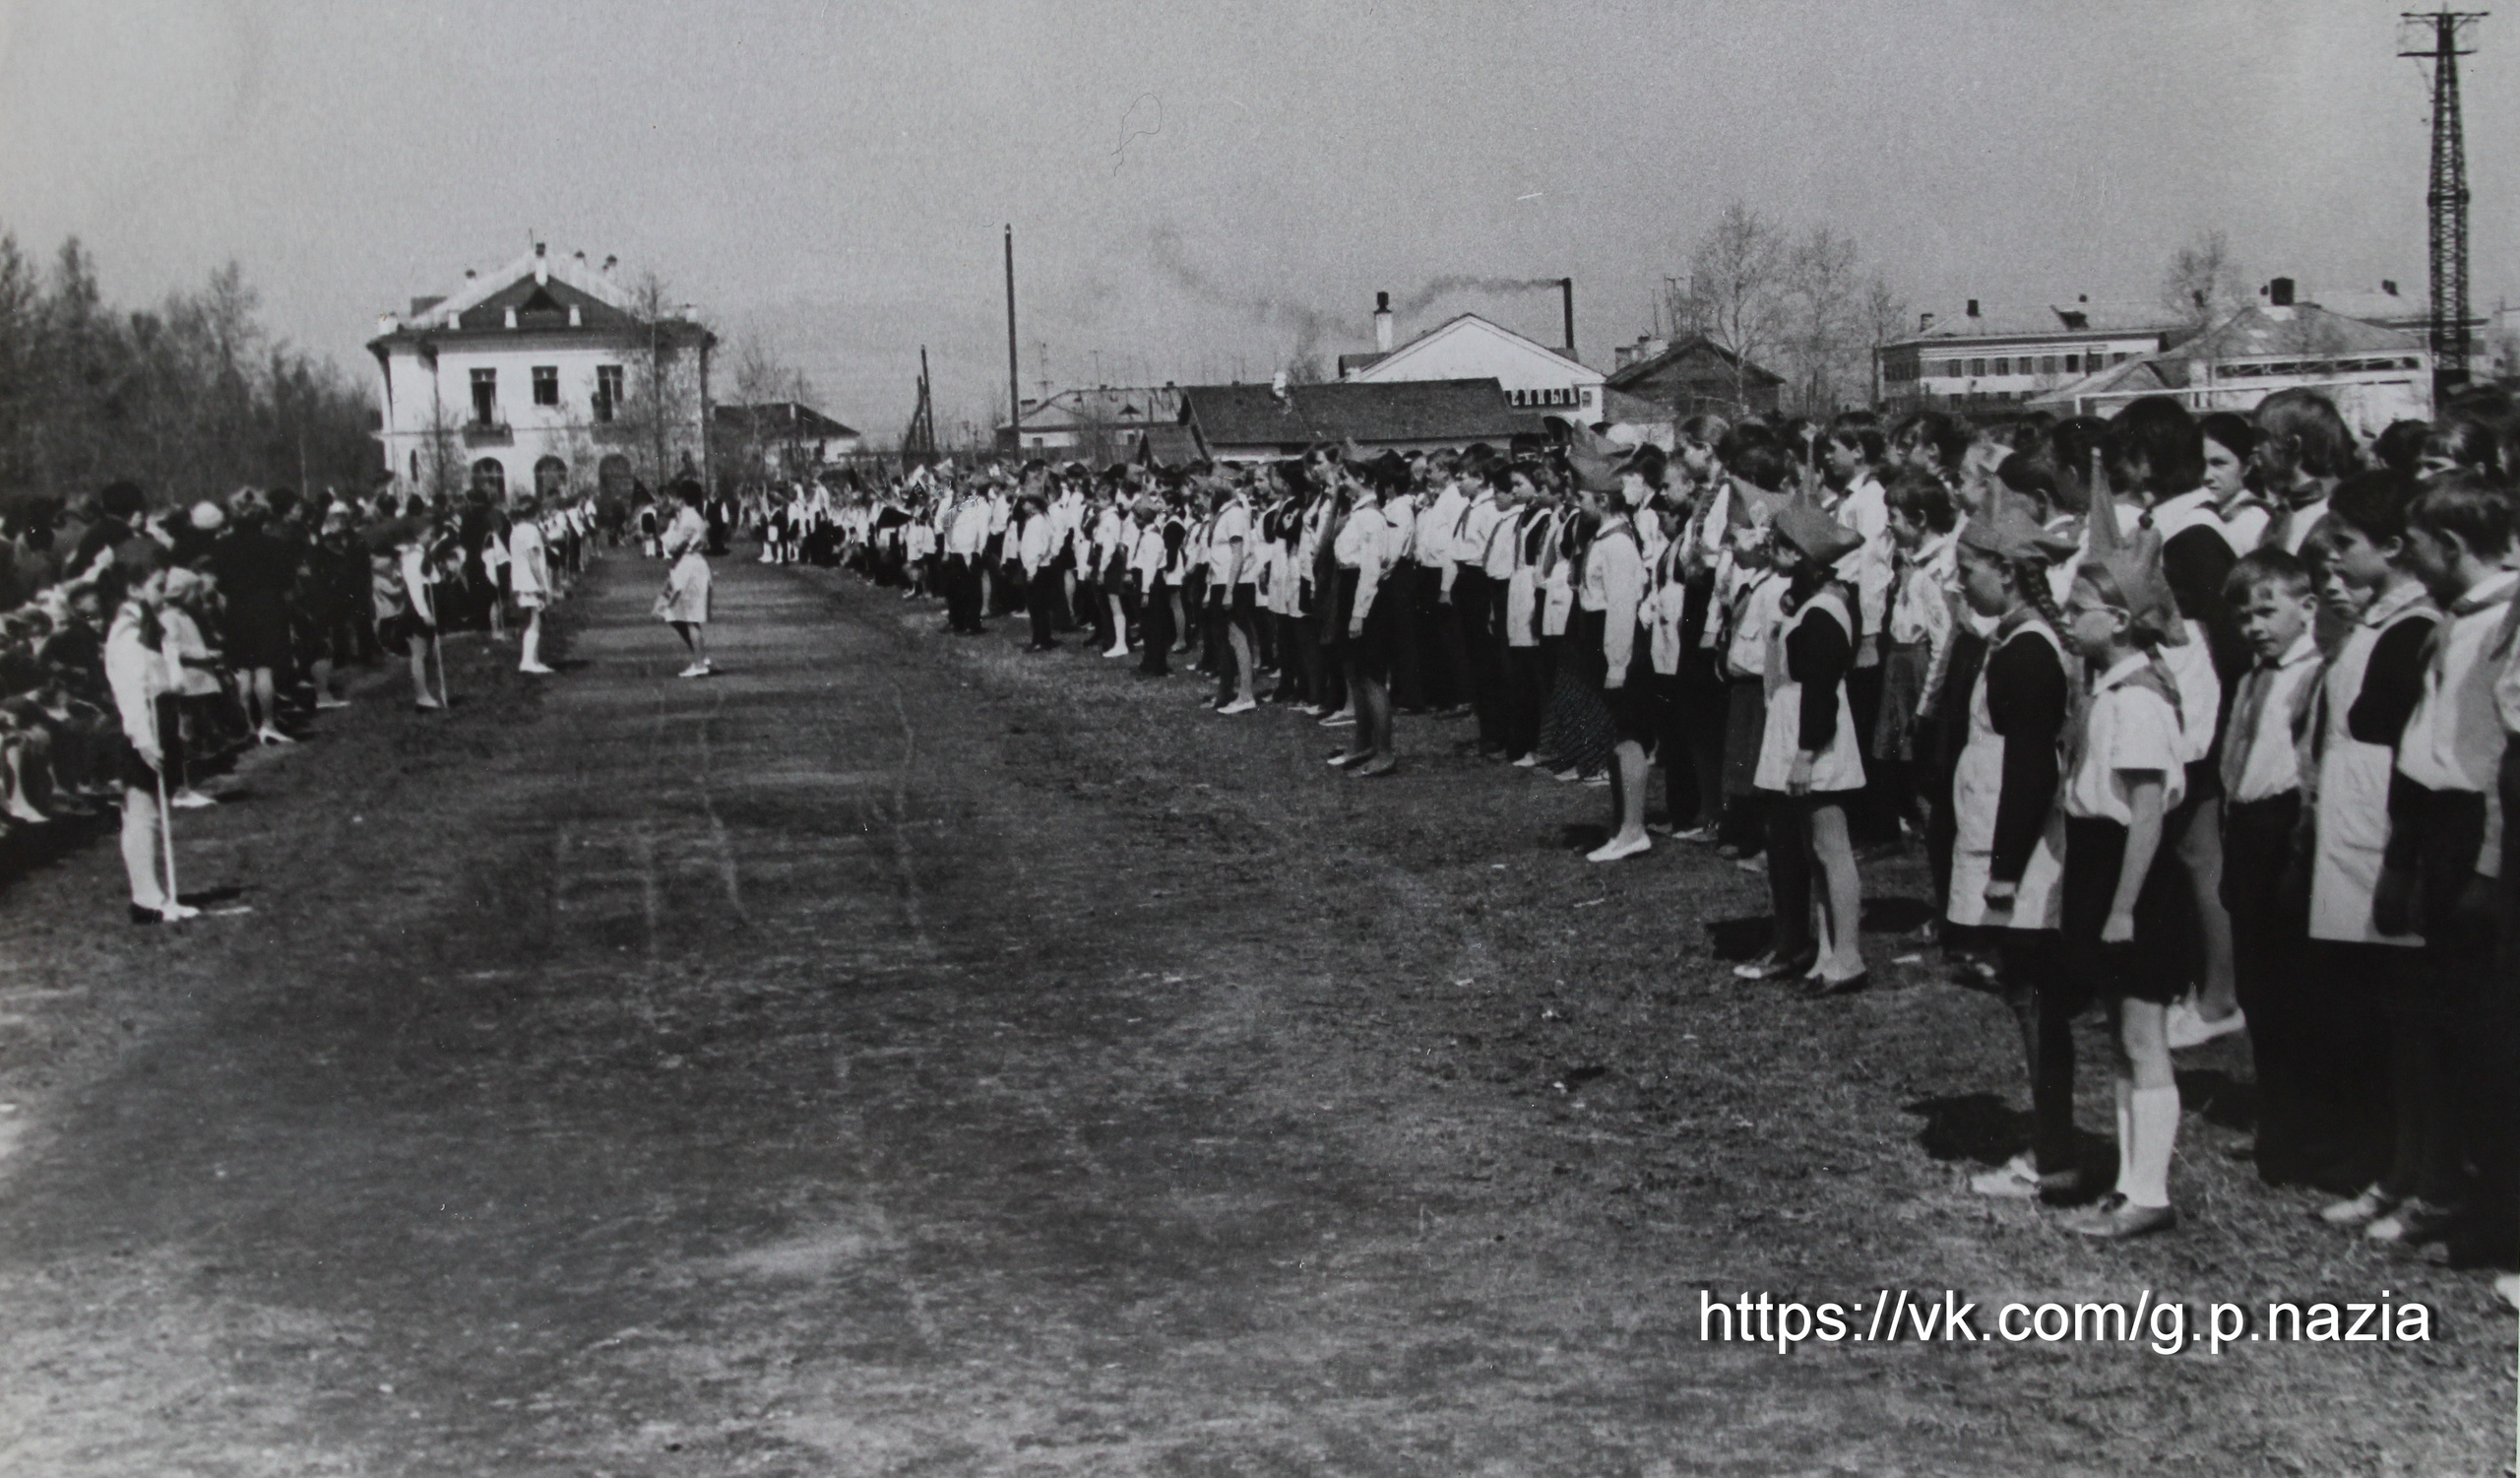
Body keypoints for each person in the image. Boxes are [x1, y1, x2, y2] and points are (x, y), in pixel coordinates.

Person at [2371, 473, 2515, 1250]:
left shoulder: (2504, 625)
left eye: (2418, 546)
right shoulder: (2452, 619)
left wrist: (2489, 868)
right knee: (2439, 1018)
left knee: (2484, 1029)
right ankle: (2444, 1184)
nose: (2410, 560)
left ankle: (2486, 1202)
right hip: (2433, 827)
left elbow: (2500, 763)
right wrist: (2401, 855)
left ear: (2452, 547)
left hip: (2476, 833)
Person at [2051, 508, 2191, 1240]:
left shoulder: (2138, 700)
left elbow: (2146, 814)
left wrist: (2124, 907)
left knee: (2143, 1037)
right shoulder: (2109, 688)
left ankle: (2150, 1190)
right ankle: (2133, 1179)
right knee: (2121, 1036)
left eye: (2079, 612)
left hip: (2131, 878)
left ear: (2121, 619)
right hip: (2102, 866)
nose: (2068, 621)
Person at [1947, 501, 2081, 1199]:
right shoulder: (2014, 639)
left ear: (2006, 570)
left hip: (2020, 848)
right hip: (2003, 835)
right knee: (2025, 995)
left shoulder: (2030, 652)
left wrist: (2003, 875)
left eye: (1970, 570)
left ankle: (2053, 1149)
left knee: (2035, 998)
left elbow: (2032, 768)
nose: (1962, 581)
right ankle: (2049, 1137)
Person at [2217, 547, 2325, 1184]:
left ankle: (2306, 1127)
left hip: (2288, 827)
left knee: (2294, 987)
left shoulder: (2313, 673)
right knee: (2257, 985)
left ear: (2306, 607)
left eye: (2268, 610)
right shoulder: (2253, 675)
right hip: (2248, 825)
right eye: (2244, 616)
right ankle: (2275, 1116)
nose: (2255, 625)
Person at [1738, 496, 1868, 994]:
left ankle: (1849, 955)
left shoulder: (1824, 613)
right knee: (1815, 850)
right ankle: (1829, 951)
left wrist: (1806, 754)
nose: (1771, 551)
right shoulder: (1813, 605)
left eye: (1779, 546)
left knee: (1831, 847)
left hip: (1815, 737)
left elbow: (1821, 694)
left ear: (1799, 556)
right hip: (1797, 726)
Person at [102, 542, 199, 923]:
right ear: (132, 588)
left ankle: (153, 894)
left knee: (149, 813)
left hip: (159, 714)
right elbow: (131, 691)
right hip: (138, 724)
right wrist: (142, 740)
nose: (165, 594)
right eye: (158, 586)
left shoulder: (150, 626)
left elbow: (167, 676)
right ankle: (146, 898)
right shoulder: (127, 632)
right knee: (140, 813)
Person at [655, 479, 714, 677]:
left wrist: (668, 530)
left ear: (681, 499)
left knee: (689, 617)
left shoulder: (688, 519)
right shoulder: (686, 517)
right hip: (684, 568)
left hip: (690, 569)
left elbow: (672, 546)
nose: (669, 501)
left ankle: (699, 663)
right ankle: (700, 656)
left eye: (672, 498)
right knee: (669, 611)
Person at [509, 493, 555, 675]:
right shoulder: (531, 530)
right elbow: (533, 559)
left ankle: (532, 659)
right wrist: (543, 584)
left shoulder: (517, 529)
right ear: (534, 512)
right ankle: (528, 661)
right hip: (531, 581)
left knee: (532, 619)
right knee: (535, 621)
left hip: (520, 578)